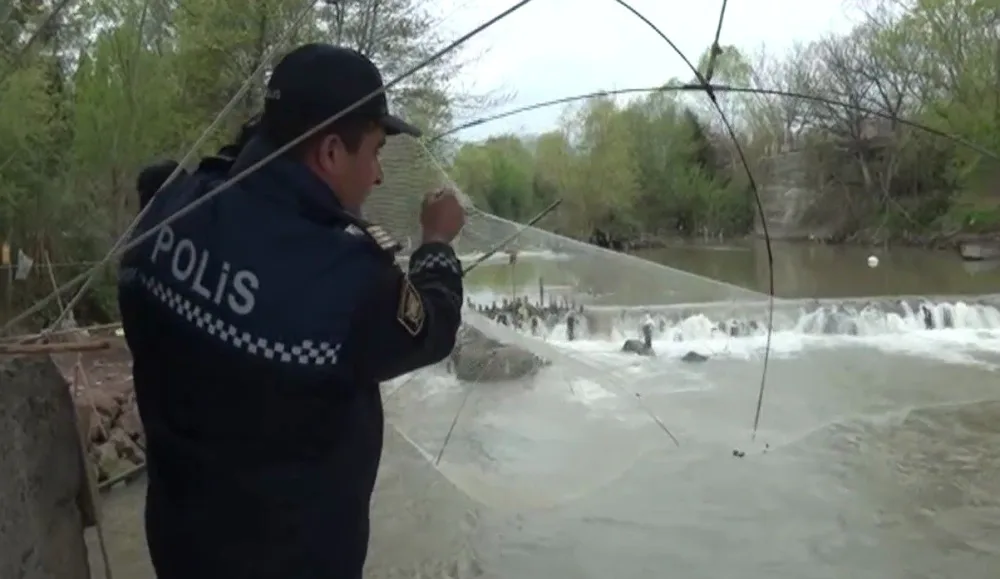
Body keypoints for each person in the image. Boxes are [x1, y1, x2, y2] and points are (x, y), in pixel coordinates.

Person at [117, 43, 465, 579]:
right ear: (329, 153)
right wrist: (437, 242)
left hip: (180, 550)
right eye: (373, 152)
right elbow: (432, 329)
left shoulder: (168, 205)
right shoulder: (349, 277)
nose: (376, 176)